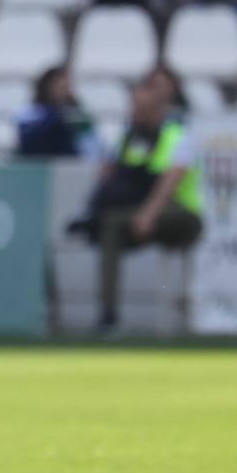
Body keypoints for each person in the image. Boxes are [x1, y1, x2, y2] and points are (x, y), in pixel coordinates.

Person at [68, 76, 203, 330]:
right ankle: (108, 315)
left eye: (144, 109)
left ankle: (110, 315)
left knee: (115, 223)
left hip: (183, 213)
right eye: (135, 108)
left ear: (160, 108)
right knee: (108, 226)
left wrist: (148, 214)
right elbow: (114, 176)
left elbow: (169, 183)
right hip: (141, 211)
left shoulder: (178, 136)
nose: (138, 114)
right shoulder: (130, 138)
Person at [16, 67, 101, 159]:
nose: (63, 92)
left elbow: (92, 147)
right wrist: (56, 116)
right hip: (36, 163)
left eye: (66, 87)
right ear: (47, 87)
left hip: (68, 164)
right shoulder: (30, 111)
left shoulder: (76, 115)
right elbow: (29, 139)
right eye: (59, 87)